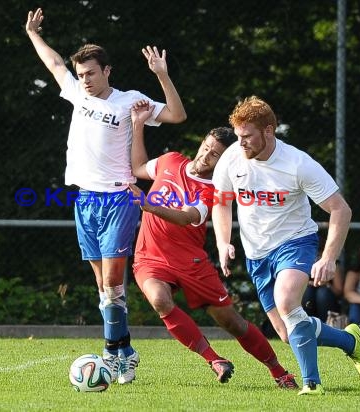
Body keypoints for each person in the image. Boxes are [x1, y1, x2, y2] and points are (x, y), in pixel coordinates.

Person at [25, 8, 187, 384]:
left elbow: (177, 115)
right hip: (85, 201)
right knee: (105, 292)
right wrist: (32, 33)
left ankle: (112, 355)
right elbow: (51, 62)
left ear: (107, 71)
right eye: (80, 75)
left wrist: (162, 76)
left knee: (114, 284)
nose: (85, 81)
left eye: (91, 74)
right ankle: (125, 350)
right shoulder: (76, 93)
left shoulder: (129, 101)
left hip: (119, 200)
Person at [127, 100, 298, 389]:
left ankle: (279, 371)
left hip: (190, 262)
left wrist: (150, 207)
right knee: (159, 300)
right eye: (206, 146)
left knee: (232, 323)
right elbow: (139, 167)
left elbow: (186, 217)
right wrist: (137, 124)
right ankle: (214, 359)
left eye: (215, 154)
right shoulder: (170, 161)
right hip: (150, 257)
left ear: (225, 162)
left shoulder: (214, 191)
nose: (206, 155)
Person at [211, 95, 360, 396]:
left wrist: (328, 258)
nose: (241, 143)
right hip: (257, 254)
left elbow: (341, 209)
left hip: (295, 242)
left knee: (287, 303)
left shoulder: (298, 164)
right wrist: (222, 242)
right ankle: (350, 342)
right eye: (238, 136)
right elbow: (221, 203)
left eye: (248, 136)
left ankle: (312, 384)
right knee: (287, 332)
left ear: (269, 131)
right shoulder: (232, 158)